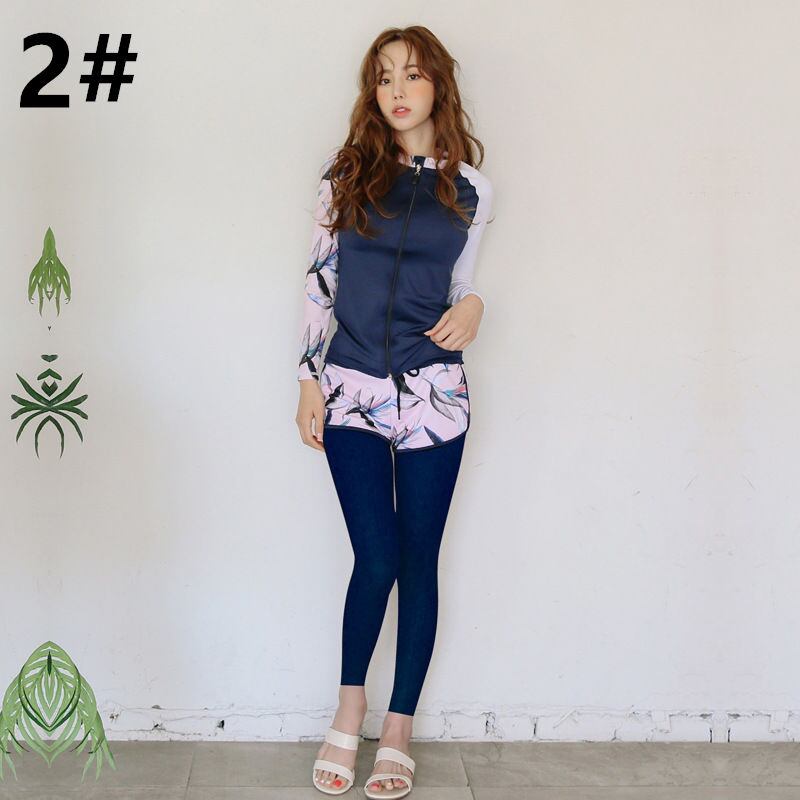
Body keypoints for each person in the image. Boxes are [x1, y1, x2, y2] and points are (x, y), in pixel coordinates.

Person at [295, 25, 494, 798]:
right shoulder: (345, 173)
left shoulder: (471, 187)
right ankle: (350, 710)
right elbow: (321, 278)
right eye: (384, 78)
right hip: (350, 388)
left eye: (412, 74)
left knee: (417, 562)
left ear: (438, 84)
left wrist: (475, 306)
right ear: (372, 92)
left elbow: (462, 281)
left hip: (436, 397)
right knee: (375, 557)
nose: (398, 90)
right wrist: (308, 381)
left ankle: (399, 727)